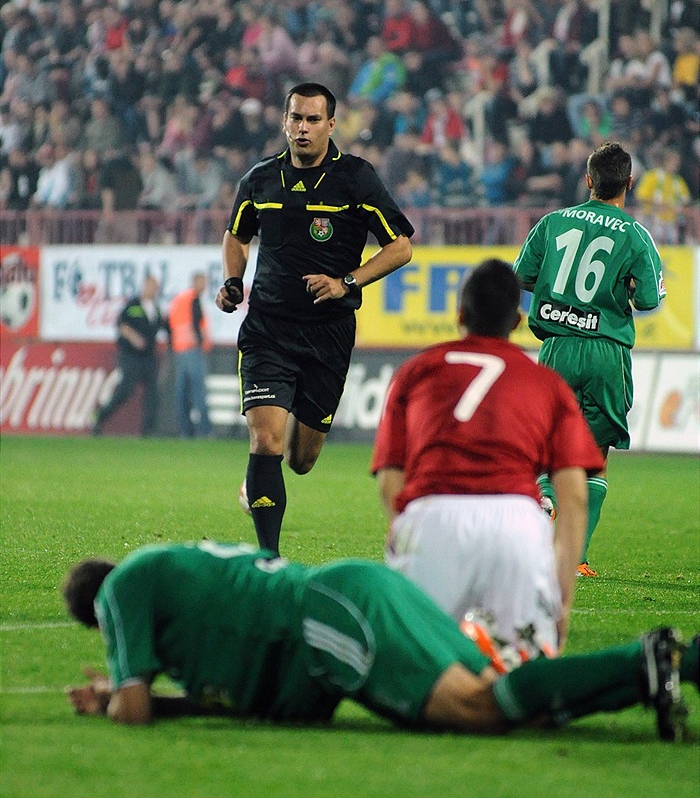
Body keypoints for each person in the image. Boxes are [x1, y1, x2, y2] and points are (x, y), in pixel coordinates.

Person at [62, 540, 697, 742]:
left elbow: (134, 708)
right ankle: (666, 666)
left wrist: (114, 696)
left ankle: (650, 660)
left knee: (477, 709)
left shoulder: (123, 591)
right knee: (505, 706)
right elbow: (237, 700)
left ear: (100, 614)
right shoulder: (184, 604)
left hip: (329, 618)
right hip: (356, 593)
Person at [215, 82, 414, 556]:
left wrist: (347, 282)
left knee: (301, 459)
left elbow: (401, 247)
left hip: (329, 336)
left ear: (330, 125)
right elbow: (236, 236)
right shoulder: (260, 179)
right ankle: (269, 559)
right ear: (285, 121)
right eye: (295, 118)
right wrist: (233, 279)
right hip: (268, 330)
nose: (301, 128)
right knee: (265, 439)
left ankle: (259, 486)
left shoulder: (357, 180)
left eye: (311, 120)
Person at [371, 259, 603, 659]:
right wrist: (561, 604)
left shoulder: (414, 371)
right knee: (525, 669)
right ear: (516, 321)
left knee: (417, 663)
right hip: (516, 525)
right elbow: (575, 499)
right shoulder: (546, 383)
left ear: (459, 314)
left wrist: (403, 533)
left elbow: (391, 476)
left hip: (432, 518)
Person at [514, 142, 665, 576]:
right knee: (594, 456)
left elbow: (522, 275)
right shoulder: (635, 234)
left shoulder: (552, 222)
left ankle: (543, 519)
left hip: (557, 346)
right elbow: (650, 299)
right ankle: (575, 557)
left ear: (588, 180)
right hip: (605, 352)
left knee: (547, 449)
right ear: (629, 183)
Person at [92, 275, 168, 437]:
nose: (154, 291)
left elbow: (163, 326)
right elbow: (121, 324)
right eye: (152, 287)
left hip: (149, 356)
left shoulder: (156, 308)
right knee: (126, 389)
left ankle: (147, 431)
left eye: (156, 288)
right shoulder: (133, 305)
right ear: (145, 287)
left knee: (152, 393)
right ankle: (100, 418)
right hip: (130, 356)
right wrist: (133, 337)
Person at [168, 271, 212, 438]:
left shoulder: (179, 299)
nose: (205, 286)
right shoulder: (193, 299)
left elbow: (169, 322)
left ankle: (185, 430)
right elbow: (195, 323)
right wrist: (202, 343)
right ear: (196, 282)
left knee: (182, 392)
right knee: (198, 392)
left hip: (180, 351)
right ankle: (205, 430)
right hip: (193, 350)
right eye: (202, 282)